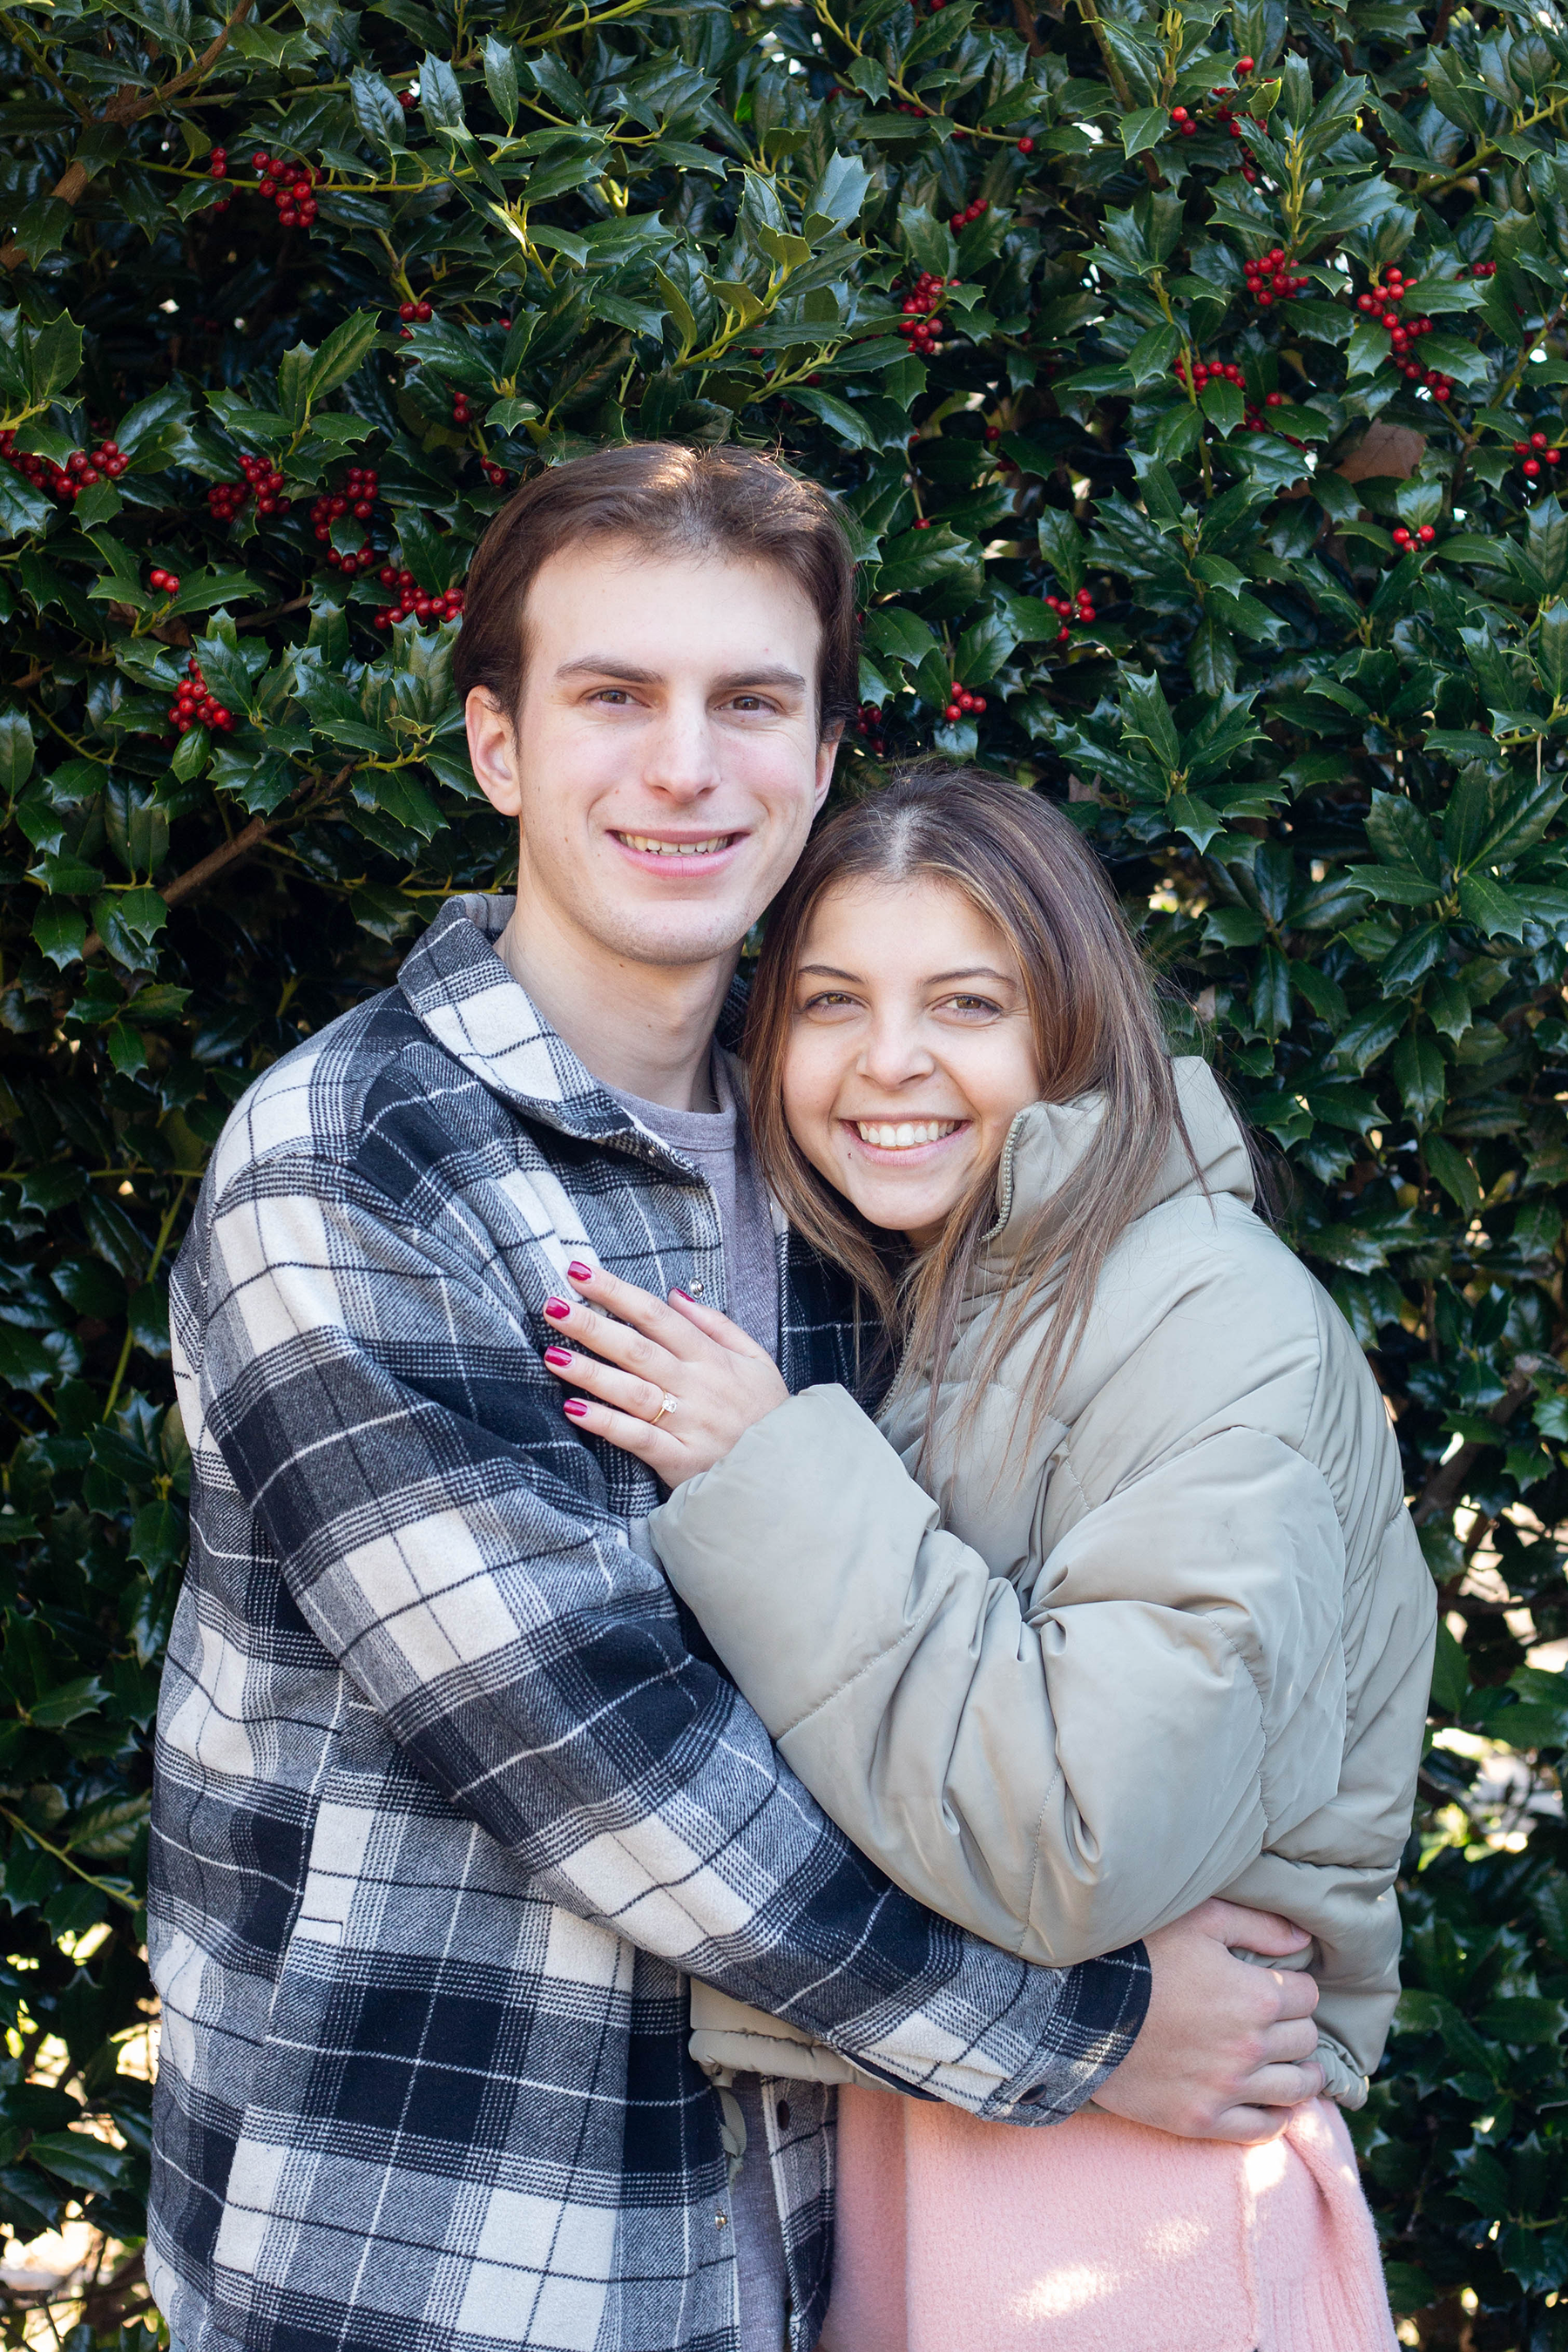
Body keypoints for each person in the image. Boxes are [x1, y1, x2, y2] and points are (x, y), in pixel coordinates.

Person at [148, 449, 1329, 2352]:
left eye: (750, 703)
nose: (686, 766)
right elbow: (603, 1769)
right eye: (614, 697)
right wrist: (1094, 2029)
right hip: (446, 2257)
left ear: (818, 757)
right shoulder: (359, 1166)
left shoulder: (852, 1166)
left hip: (803, 2249)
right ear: (497, 748)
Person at [542, 763, 1437, 2351]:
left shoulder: (1209, 1315)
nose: (889, 1063)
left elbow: (1080, 1834)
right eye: (829, 1003)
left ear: (1068, 1033)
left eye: (965, 1002)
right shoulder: (947, 1306)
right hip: (950, 2145)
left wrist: (770, 1471)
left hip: (1133, 2193)